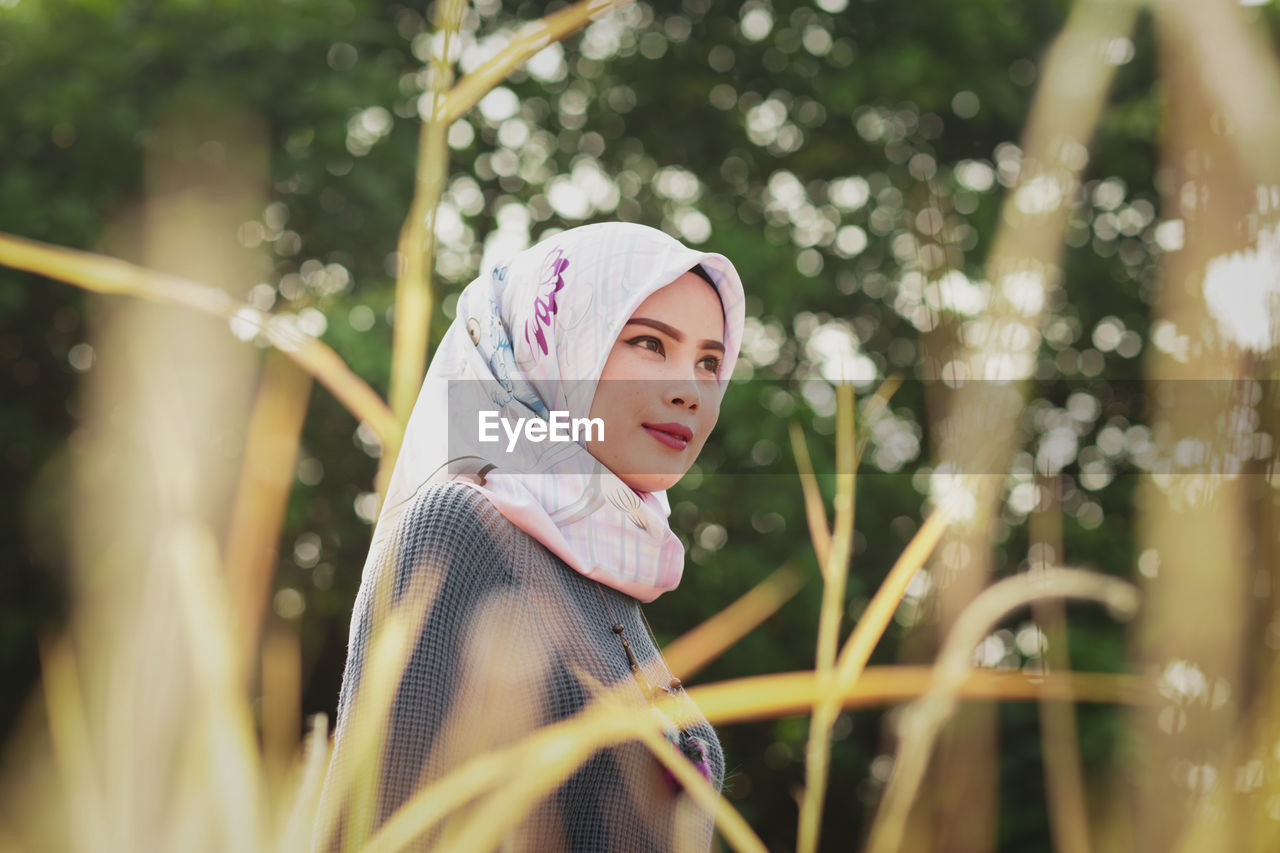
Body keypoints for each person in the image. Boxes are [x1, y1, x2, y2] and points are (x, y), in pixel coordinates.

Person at [314, 222, 746, 852]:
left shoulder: (612, 582)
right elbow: (380, 829)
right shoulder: (459, 527)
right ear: (557, 348)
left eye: (710, 361)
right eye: (651, 344)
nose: (691, 390)